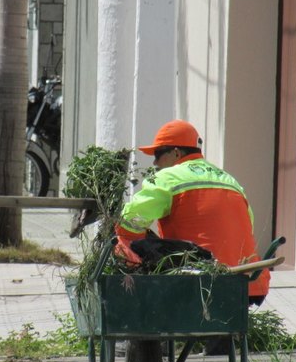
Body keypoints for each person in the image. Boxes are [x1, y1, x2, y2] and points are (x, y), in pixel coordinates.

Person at [115, 119, 271, 340]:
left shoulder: (168, 177)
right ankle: (218, 338)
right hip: (246, 284)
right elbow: (248, 225)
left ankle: (141, 334)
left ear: (176, 153)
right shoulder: (229, 180)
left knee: (126, 245)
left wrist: (132, 242)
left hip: (197, 283)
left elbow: (130, 221)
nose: (155, 162)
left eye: (158, 154)